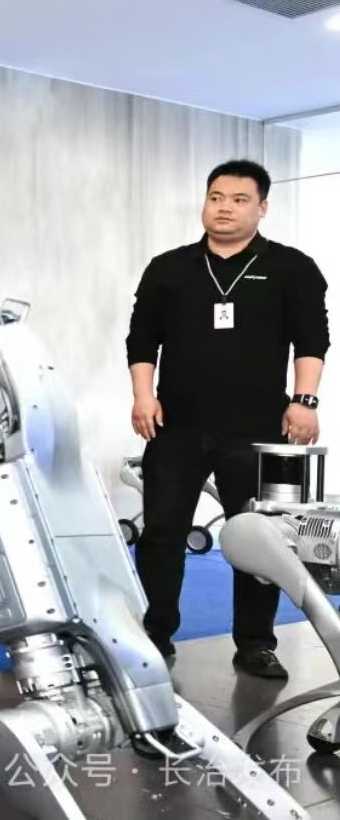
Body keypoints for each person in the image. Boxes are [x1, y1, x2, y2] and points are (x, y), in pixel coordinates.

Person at [127, 159, 328, 679]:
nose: (224, 208)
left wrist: (305, 402)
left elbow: (312, 340)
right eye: (216, 197)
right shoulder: (169, 268)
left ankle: (256, 643)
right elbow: (141, 339)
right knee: (162, 534)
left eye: (240, 200)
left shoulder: (292, 268)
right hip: (176, 426)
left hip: (262, 428)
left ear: (262, 208)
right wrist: (143, 396)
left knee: (262, 540)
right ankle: (155, 632)